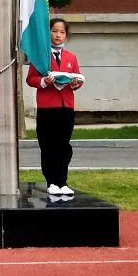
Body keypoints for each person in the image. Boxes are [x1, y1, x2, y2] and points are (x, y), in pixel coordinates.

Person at [25, 17, 84, 198]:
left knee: (63, 146)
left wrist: (75, 83)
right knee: (48, 145)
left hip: (66, 107)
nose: (58, 35)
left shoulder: (71, 57)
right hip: (47, 107)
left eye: (62, 32)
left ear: (66, 35)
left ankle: (62, 181)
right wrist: (44, 81)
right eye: (55, 31)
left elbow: (77, 79)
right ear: (48, 33)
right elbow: (31, 79)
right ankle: (51, 181)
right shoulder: (41, 56)